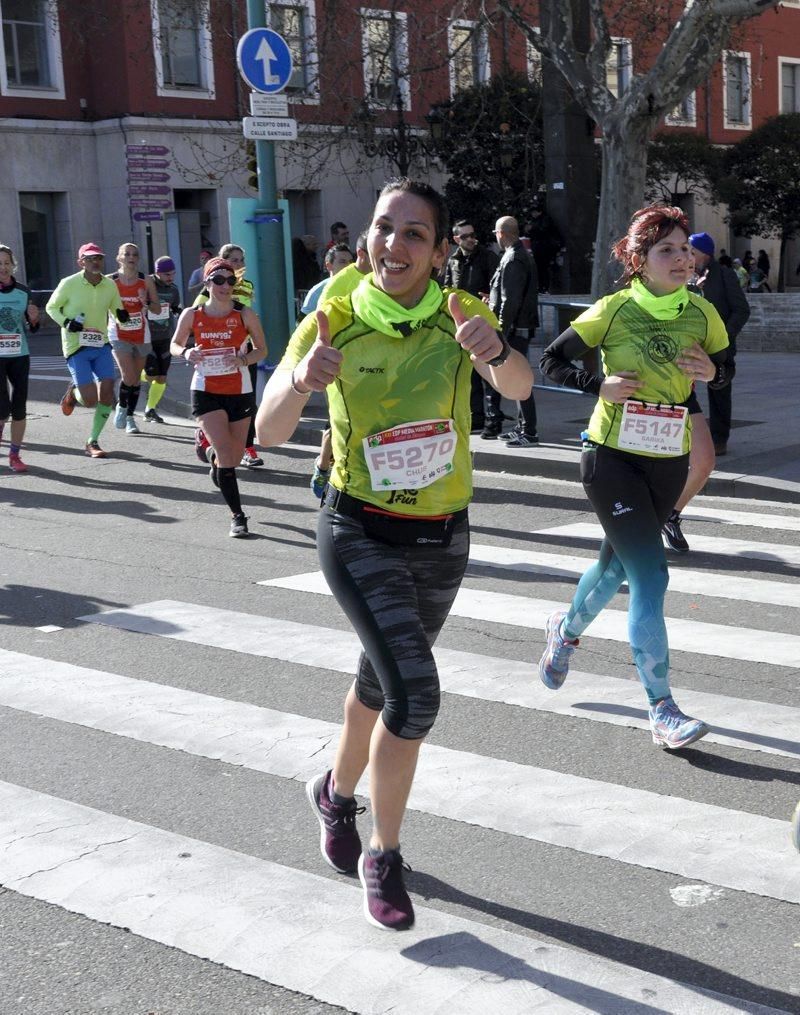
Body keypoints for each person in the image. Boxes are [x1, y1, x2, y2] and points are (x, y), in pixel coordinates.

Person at [255, 178, 533, 930]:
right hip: (357, 528)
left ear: (442, 251)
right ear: (366, 237)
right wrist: (303, 383)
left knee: (378, 686)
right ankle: (385, 852)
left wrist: (496, 348)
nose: (394, 245)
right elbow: (270, 428)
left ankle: (334, 794)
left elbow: (518, 386)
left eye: (415, 234)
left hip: (443, 534)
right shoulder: (334, 315)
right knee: (415, 695)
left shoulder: (460, 312)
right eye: (385, 228)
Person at [539, 205, 729, 750]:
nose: (680, 258)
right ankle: (661, 707)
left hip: (666, 460)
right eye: (665, 250)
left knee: (615, 565)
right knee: (651, 576)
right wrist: (596, 384)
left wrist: (713, 373)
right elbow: (553, 360)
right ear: (639, 261)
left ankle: (565, 632)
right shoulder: (613, 310)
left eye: (684, 250)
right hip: (610, 459)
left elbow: (725, 367)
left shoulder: (701, 312)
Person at [170, 257, 266, 537]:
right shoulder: (192, 314)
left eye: (230, 280)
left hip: (239, 390)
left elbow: (263, 350)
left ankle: (212, 455)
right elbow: (176, 345)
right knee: (227, 454)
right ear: (207, 282)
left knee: (232, 457)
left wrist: (245, 359)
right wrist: (187, 352)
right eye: (219, 280)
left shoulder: (244, 314)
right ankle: (238, 516)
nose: (225, 286)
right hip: (205, 390)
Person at [47, 242, 127, 458]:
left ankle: (92, 441)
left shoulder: (109, 285)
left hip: (100, 344)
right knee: (90, 399)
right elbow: (51, 307)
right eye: (90, 258)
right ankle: (73, 393)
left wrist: (123, 316)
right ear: (81, 262)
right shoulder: (69, 283)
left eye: (99, 258)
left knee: (108, 392)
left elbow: (117, 309)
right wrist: (67, 322)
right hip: (76, 345)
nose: (95, 262)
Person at [307, 232, 372, 500]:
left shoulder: (382, 280)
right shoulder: (337, 285)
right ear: (363, 255)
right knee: (341, 421)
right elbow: (317, 328)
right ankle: (323, 467)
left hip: (374, 363)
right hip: (340, 363)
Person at [194, 244, 262, 468]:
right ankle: (206, 432)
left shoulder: (247, 285)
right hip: (214, 356)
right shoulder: (211, 289)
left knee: (248, 400)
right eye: (234, 260)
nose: (239, 264)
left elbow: (246, 311)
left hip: (243, 350)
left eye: (241, 260)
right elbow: (196, 316)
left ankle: (248, 448)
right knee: (217, 403)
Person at [685, 232, 749, 460]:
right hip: (689, 345)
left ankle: (719, 439)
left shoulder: (724, 275)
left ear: (704, 254)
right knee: (680, 390)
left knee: (719, 391)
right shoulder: (684, 276)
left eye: (691, 252)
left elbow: (742, 310)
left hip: (718, 347)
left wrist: (723, 336)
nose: (687, 256)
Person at [484, 215, 539, 446]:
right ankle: (522, 427)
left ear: (502, 233)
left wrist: (501, 331)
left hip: (515, 330)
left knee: (519, 380)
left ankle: (529, 431)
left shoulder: (513, 258)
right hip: (517, 328)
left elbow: (510, 300)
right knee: (517, 380)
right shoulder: (514, 255)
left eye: (496, 234)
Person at [443, 221, 499, 433]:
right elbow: (447, 288)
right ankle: (476, 417)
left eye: (472, 234)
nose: (470, 239)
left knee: (488, 368)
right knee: (469, 373)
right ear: (457, 239)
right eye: (465, 236)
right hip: (460, 322)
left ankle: (494, 419)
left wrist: (490, 301)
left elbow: (496, 284)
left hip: (482, 319)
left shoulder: (487, 257)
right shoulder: (453, 260)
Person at [108, 243, 161, 435]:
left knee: (136, 380)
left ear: (138, 258)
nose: (131, 257)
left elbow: (156, 308)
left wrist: (144, 301)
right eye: (127, 254)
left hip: (141, 333)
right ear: (119, 258)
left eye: (134, 254)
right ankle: (122, 408)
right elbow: (102, 306)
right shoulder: (110, 281)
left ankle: (130, 418)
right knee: (128, 376)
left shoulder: (145, 281)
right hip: (118, 333)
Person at [0, 243, 40, 472]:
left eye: (7, 263)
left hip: (19, 354)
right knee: (1, 408)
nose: (3, 268)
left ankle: (15, 455)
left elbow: (31, 327)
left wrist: (34, 320)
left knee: (19, 407)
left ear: (13, 266)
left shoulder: (23, 292)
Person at [142, 256, 182, 423]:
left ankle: (150, 409)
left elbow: (173, 306)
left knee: (162, 376)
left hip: (165, 336)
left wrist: (176, 310)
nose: (170, 277)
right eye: (166, 274)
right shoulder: (147, 286)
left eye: (172, 273)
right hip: (147, 336)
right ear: (157, 273)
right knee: (151, 374)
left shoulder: (173, 289)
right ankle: (131, 377)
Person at [299, 243, 354, 319]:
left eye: (351, 262)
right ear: (329, 266)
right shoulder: (317, 291)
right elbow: (301, 324)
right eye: (342, 262)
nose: (349, 265)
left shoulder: (360, 285)